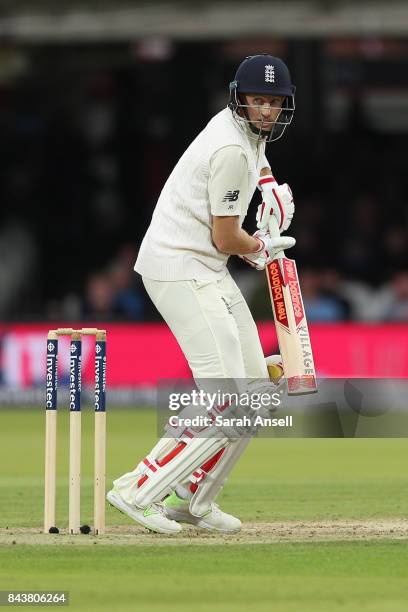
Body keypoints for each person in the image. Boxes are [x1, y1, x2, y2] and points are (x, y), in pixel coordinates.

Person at [107, 54, 297, 534]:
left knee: (257, 390)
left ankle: (190, 497)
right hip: (179, 266)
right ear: (240, 99)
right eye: (258, 101)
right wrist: (263, 248)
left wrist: (270, 187)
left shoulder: (245, 134)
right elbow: (226, 237)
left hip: (206, 267)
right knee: (226, 395)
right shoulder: (230, 149)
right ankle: (137, 489)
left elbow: (257, 161)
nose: (266, 112)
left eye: (274, 103)